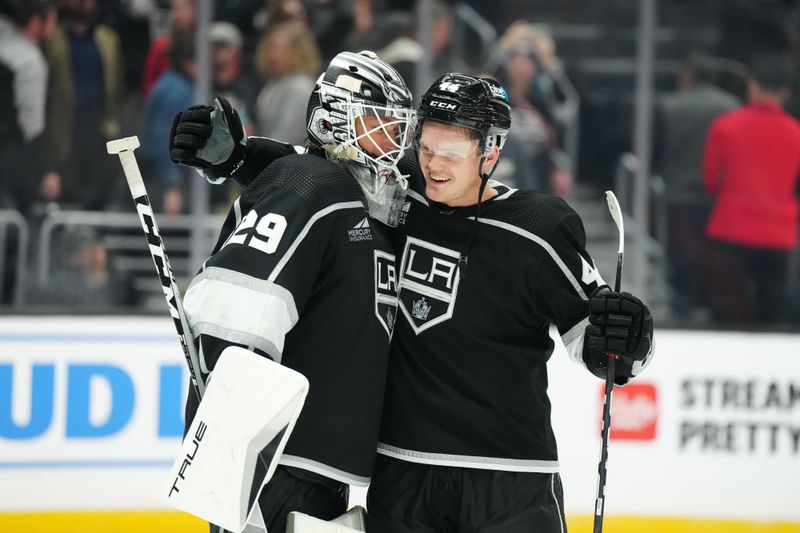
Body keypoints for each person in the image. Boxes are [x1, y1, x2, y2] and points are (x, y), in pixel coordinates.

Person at [174, 73, 654, 532]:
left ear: (492, 151)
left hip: (511, 477)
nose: (434, 165)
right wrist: (233, 158)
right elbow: (324, 167)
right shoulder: (397, 197)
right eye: (425, 147)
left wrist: (628, 338)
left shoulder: (538, 227)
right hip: (400, 478)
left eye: (450, 152)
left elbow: (597, 341)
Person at [169, 50, 415, 533]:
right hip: (274, 466)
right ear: (335, 121)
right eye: (378, 123)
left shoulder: (359, 205)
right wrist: (234, 444)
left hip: (313, 468)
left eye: (397, 126)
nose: (394, 140)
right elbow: (231, 312)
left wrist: (245, 157)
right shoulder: (311, 186)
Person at [702, 55, 800, 325]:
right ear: (785, 92)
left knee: (728, 307)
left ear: (752, 86)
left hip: (732, 225)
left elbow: (711, 179)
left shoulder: (725, 126)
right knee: (772, 308)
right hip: (778, 230)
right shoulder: (796, 133)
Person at [654, 54, 739, 319]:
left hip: (679, 193)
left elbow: (657, 149)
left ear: (688, 76)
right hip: (717, 196)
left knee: (681, 256)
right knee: (714, 256)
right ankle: (712, 305)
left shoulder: (668, 105)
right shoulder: (731, 106)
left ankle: (683, 306)